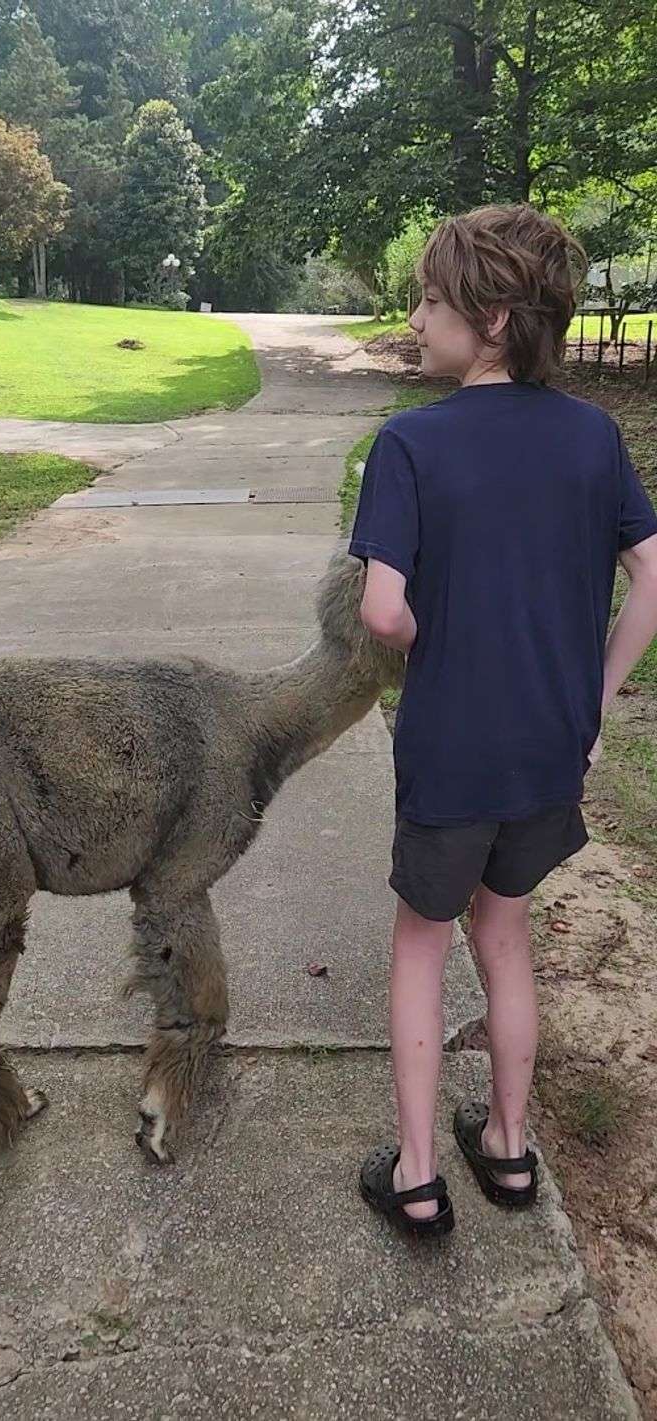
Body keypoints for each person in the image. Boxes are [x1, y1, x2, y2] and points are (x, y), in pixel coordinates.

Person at [349, 203, 657, 1237]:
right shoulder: (589, 435)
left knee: (420, 943)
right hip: (544, 749)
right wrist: (595, 698)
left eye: (430, 299)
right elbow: (649, 577)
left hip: (448, 749)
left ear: (486, 319)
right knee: (505, 930)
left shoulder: (408, 443)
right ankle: (511, 1151)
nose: (415, 315)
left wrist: (431, 635)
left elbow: (382, 610)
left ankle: (419, 1172)